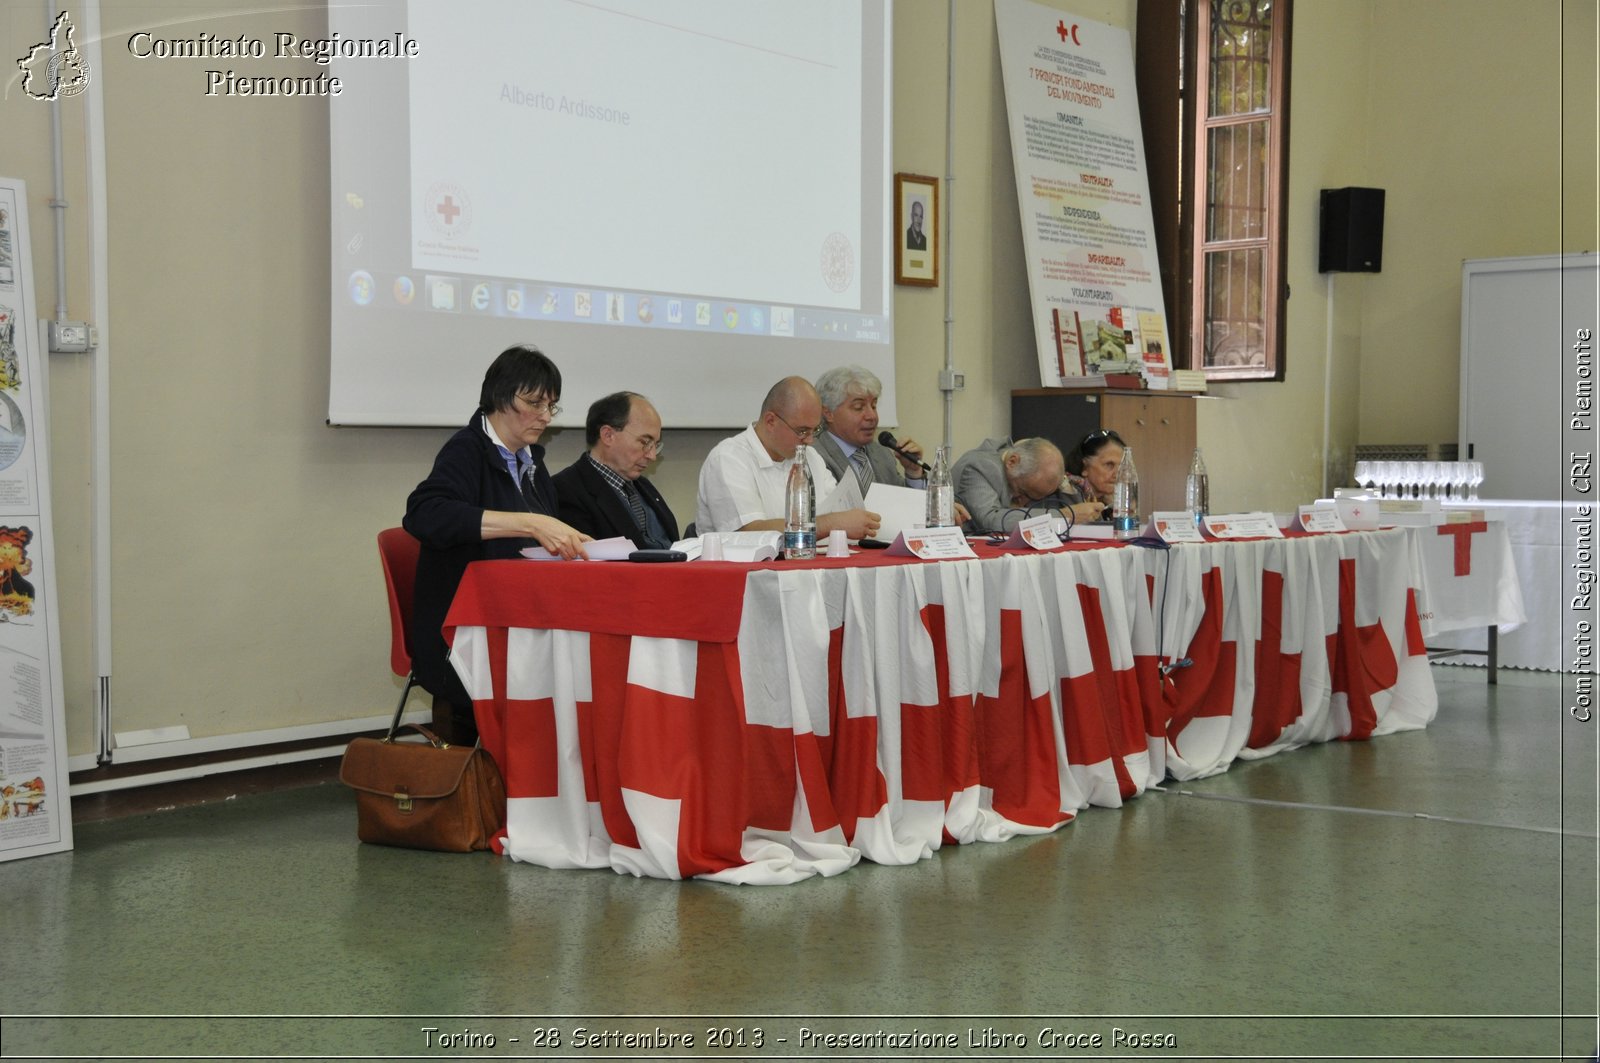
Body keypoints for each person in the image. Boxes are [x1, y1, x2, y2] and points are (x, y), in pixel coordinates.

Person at [403, 344, 590, 741]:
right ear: (500, 397)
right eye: (534, 402)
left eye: (551, 406)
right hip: (466, 628)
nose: (544, 416)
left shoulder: (533, 462)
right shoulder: (466, 449)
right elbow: (424, 513)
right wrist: (529, 522)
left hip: (521, 615)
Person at [696, 376, 880, 539]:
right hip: (743, 575)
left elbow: (839, 512)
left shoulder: (811, 457)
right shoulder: (729, 458)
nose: (809, 440)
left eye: (814, 430)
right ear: (770, 421)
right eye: (802, 431)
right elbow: (747, 533)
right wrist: (831, 524)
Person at [812, 365, 970, 525]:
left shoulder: (882, 454)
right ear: (828, 413)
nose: (872, 416)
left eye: (874, 405)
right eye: (859, 407)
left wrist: (913, 472)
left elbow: (903, 506)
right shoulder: (815, 455)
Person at [554, 391, 679, 548]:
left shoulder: (643, 486)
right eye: (645, 442)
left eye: (655, 445)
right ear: (608, 435)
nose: (652, 455)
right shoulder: (567, 490)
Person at [952, 436, 1105, 534]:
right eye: (1023, 492)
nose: (1023, 502)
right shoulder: (980, 468)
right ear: (1012, 462)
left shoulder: (1032, 475)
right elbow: (991, 521)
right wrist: (1065, 515)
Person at [1062, 429, 1127, 511]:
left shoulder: (1108, 502)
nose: (1118, 474)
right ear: (1085, 467)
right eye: (1109, 465)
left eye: (1122, 467)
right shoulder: (1067, 493)